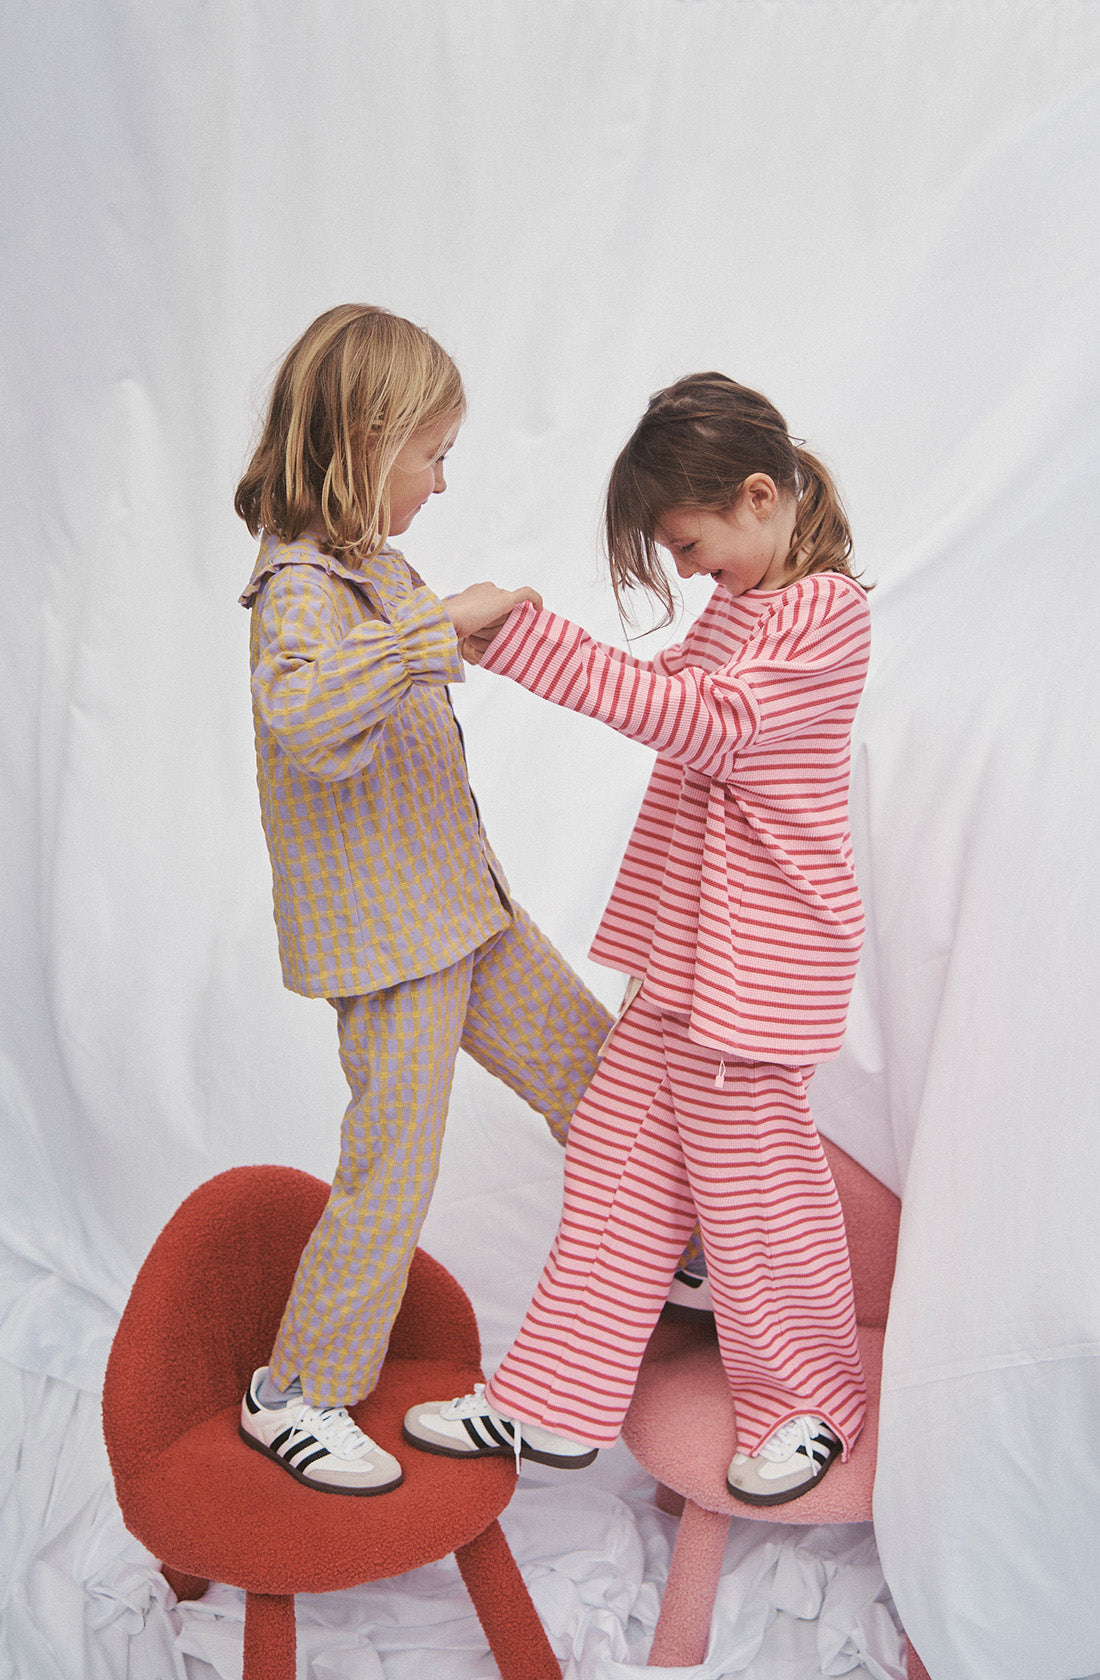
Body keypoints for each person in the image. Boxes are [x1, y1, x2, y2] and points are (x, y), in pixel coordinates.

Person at [404, 372, 870, 1506]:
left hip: (758, 966)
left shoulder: (825, 613)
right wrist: (499, 636)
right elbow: (665, 684)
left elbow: (707, 725)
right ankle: (551, 1403)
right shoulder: (744, 607)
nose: (684, 570)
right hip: (685, 958)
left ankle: (807, 1405)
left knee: (755, 1194)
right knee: (615, 1161)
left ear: (758, 497)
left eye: (690, 543)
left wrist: (522, 634)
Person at [233, 303, 613, 1495]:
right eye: (433, 454)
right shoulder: (298, 587)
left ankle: (674, 1252)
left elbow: (413, 661)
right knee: (391, 1170)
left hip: (466, 909)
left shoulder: (376, 568)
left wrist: (484, 632)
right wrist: (430, 627)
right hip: (392, 945)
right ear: (363, 436)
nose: (444, 483)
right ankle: (294, 1392)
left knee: (601, 1079)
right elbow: (303, 718)